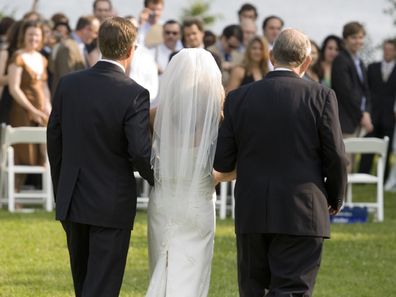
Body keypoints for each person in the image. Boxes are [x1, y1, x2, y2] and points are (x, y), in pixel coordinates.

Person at [214, 28, 348, 297]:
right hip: (303, 209)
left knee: (253, 289)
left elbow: (223, 160)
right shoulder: (321, 96)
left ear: (272, 56)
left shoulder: (238, 98)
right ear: (307, 61)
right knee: (292, 290)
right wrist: (335, 197)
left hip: (253, 209)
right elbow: (335, 156)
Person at [47, 17, 154, 297]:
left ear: (99, 44)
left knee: (83, 284)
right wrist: (160, 179)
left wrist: (62, 190)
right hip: (112, 202)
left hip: (72, 197)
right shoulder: (134, 93)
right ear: (131, 50)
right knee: (103, 287)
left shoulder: (68, 85)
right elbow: (140, 153)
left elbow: (54, 141)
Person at [145, 48, 224, 297]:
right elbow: (232, 163)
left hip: (164, 199)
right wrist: (218, 178)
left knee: (162, 264)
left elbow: (140, 153)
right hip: (198, 200)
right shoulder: (217, 117)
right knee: (194, 271)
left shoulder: (155, 115)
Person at [8, 20, 51, 191]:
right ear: (24, 36)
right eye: (30, 34)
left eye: (37, 35)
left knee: (40, 152)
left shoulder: (41, 58)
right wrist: (32, 110)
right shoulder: (18, 57)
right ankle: (14, 194)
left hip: (41, 111)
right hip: (22, 111)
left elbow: (44, 87)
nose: (33, 38)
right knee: (22, 152)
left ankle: (47, 196)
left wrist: (47, 106)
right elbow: (14, 88)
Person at [360, 39, 396, 181]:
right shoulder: (372, 67)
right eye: (385, 48)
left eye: (390, 49)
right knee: (368, 145)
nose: (387, 52)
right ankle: (363, 174)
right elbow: (366, 91)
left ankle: (383, 177)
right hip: (373, 114)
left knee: (386, 149)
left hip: (390, 117)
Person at [332, 21, 373, 139]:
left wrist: (367, 112)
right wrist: (362, 116)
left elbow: (366, 90)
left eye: (360, 37)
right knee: (346, 157)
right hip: (345, 122)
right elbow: (346, 93)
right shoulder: (340, 60)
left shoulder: (359, 62)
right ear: (345, 39)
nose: (358, 41)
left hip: (357, 121)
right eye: (353, 37)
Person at [50, 15, 100, 92]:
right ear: (86, 29)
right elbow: (66, 81)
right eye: (95, 32)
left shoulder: (80, 45)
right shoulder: (68, 47)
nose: (96, 36)